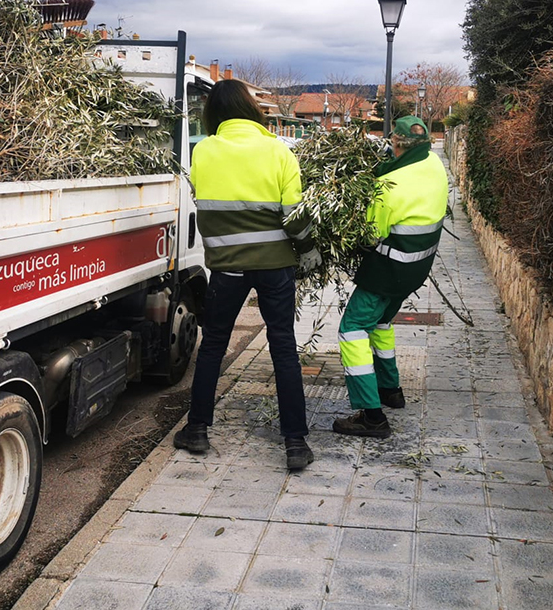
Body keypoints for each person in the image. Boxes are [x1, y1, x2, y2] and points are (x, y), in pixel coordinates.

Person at [172, 79, 322, 470]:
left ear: (214, 114)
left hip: (227, 268)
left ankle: (198, 431)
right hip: (275, 267)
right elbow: (294, 215)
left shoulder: (202, 151)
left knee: (213, 346)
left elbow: (204, 200)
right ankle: (295, 444)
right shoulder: (278, 150)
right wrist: (309, 251)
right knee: (283, 347)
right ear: (252, 109)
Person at [333, 115, 448, 438]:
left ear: (396, 143)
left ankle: (372, 416)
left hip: (387, 271)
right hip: (416, 269)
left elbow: (369, 234)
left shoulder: (388, 186)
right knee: (381, 323)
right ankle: (390, 389)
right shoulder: (435, 164)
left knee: (353, 329)